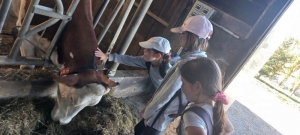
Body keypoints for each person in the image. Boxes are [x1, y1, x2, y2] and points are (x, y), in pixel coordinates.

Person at [136, 15, 213, 135]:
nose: (180, 35)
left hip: (158, 117)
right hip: (164, 115)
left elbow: (166, 93)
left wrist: (148, 113)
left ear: (192, 36)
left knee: (140, 131)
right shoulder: (200, 60)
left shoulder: (187, 64)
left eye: (183, 33)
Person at [164, 57, 234, 135]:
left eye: (183, 83)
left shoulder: (191, 116)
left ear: (197, 86)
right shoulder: (214, 106)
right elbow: (229, 129)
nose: (181, 87)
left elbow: (229, 129)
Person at [95, 36, 172, 94]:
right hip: (158, 93)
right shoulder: (148, 62)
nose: (144, 50)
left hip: (168, 98)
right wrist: (107, 56)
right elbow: (130, 60)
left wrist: (154, 101)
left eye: (148, 50)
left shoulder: (168, 72)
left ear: (157, 56)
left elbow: (169, 91)